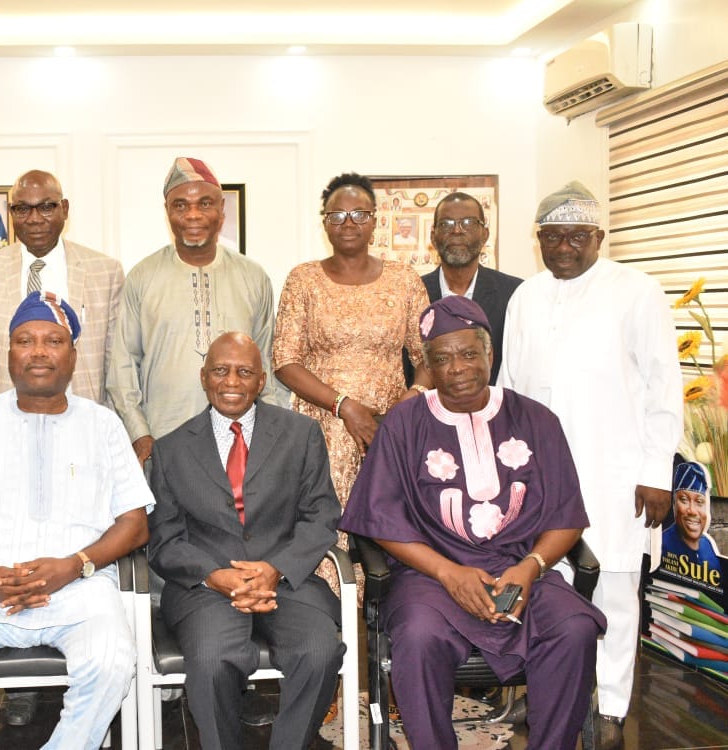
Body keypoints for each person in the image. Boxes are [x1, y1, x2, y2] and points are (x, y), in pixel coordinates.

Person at [342, 296, 606, 750]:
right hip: (429, 575)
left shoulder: (538, 420)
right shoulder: (403, 424)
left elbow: (568, 517)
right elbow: (378, 519)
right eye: (441, 359)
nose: (457, 368)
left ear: (490, 355)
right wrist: (449, 572)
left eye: (468, 354)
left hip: (521, 568)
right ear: (427, 366)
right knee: (419, 636)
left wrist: (532, 567)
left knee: (574, 627)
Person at [0, 291, 154, 749]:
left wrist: (72, 565)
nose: (38, 351)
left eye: (53, 340)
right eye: (25, 340)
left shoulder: (103, 424)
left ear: (73, 355)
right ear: (8, 351)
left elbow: (134, 524)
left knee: (112, 660)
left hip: (76, 589)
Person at [499, 181, 682, 747]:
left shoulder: (637, 291)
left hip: (614, 468)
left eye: (577, 236)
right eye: (551, 237)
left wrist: (657, 471)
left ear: (598, 236)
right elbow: (507, 382)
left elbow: (663, 386)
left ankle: (612, 705)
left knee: (615, 586)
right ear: (538, 242)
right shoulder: (526, 296)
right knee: (540, 581)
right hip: (534, 474)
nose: (564, 247)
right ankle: (546, 691)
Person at [149, 332, 343, 750]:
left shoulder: (301, 434)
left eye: (244, 372)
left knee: (320, 651)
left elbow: (322, 515)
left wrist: (275, 569)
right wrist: (214, 576)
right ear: (204, 377)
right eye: (220, 370)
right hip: (207, 589)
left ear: (261, 381)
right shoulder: (170, 449)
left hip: (287, 581)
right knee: (213, 660)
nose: (231, 381)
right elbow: (164, 539)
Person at [274, 172, 430, 593]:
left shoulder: (405, 280)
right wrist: (345, 406)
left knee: (394, 521)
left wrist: (407, 402)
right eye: (338, 213)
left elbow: (427, 356)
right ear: (324, 221)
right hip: (322, 426)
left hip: (392, 428)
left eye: (359, 212)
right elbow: (284, 361)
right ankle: (332, 613)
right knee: (328, 520)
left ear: (375, 219)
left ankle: (390, 620)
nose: (348, 221)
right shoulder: (303, 279)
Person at [109, 157, 282, 466]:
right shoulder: (142, 277)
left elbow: (268, 362)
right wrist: (139, 433)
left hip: (241, 441)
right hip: (163, 440)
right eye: (180, 205)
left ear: (221, 210)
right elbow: (122, 366)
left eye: (204, 204)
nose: (193, 214)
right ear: (167, 212)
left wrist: (270, 437)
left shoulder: (253, 277)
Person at [0, 169, 124, 404]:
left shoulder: (105, 272)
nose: (35, 219)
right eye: (22, 209)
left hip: (84, 420)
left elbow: (117, 365)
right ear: (11, 213)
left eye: (46, 207)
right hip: (7, 422)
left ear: (65, 209)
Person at [403, 191, 522, 385]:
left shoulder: (514, 293)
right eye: (446, 224)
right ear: (433, 237)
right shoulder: (412, 292)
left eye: (468, 223)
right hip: (426, 412)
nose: (457, 231)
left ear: (485, 235)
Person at [660, 461, 722, 580]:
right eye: (684, 499)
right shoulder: (662, 545)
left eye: (699, 502)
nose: (692, 511)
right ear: (674, 504)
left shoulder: (707, 545)